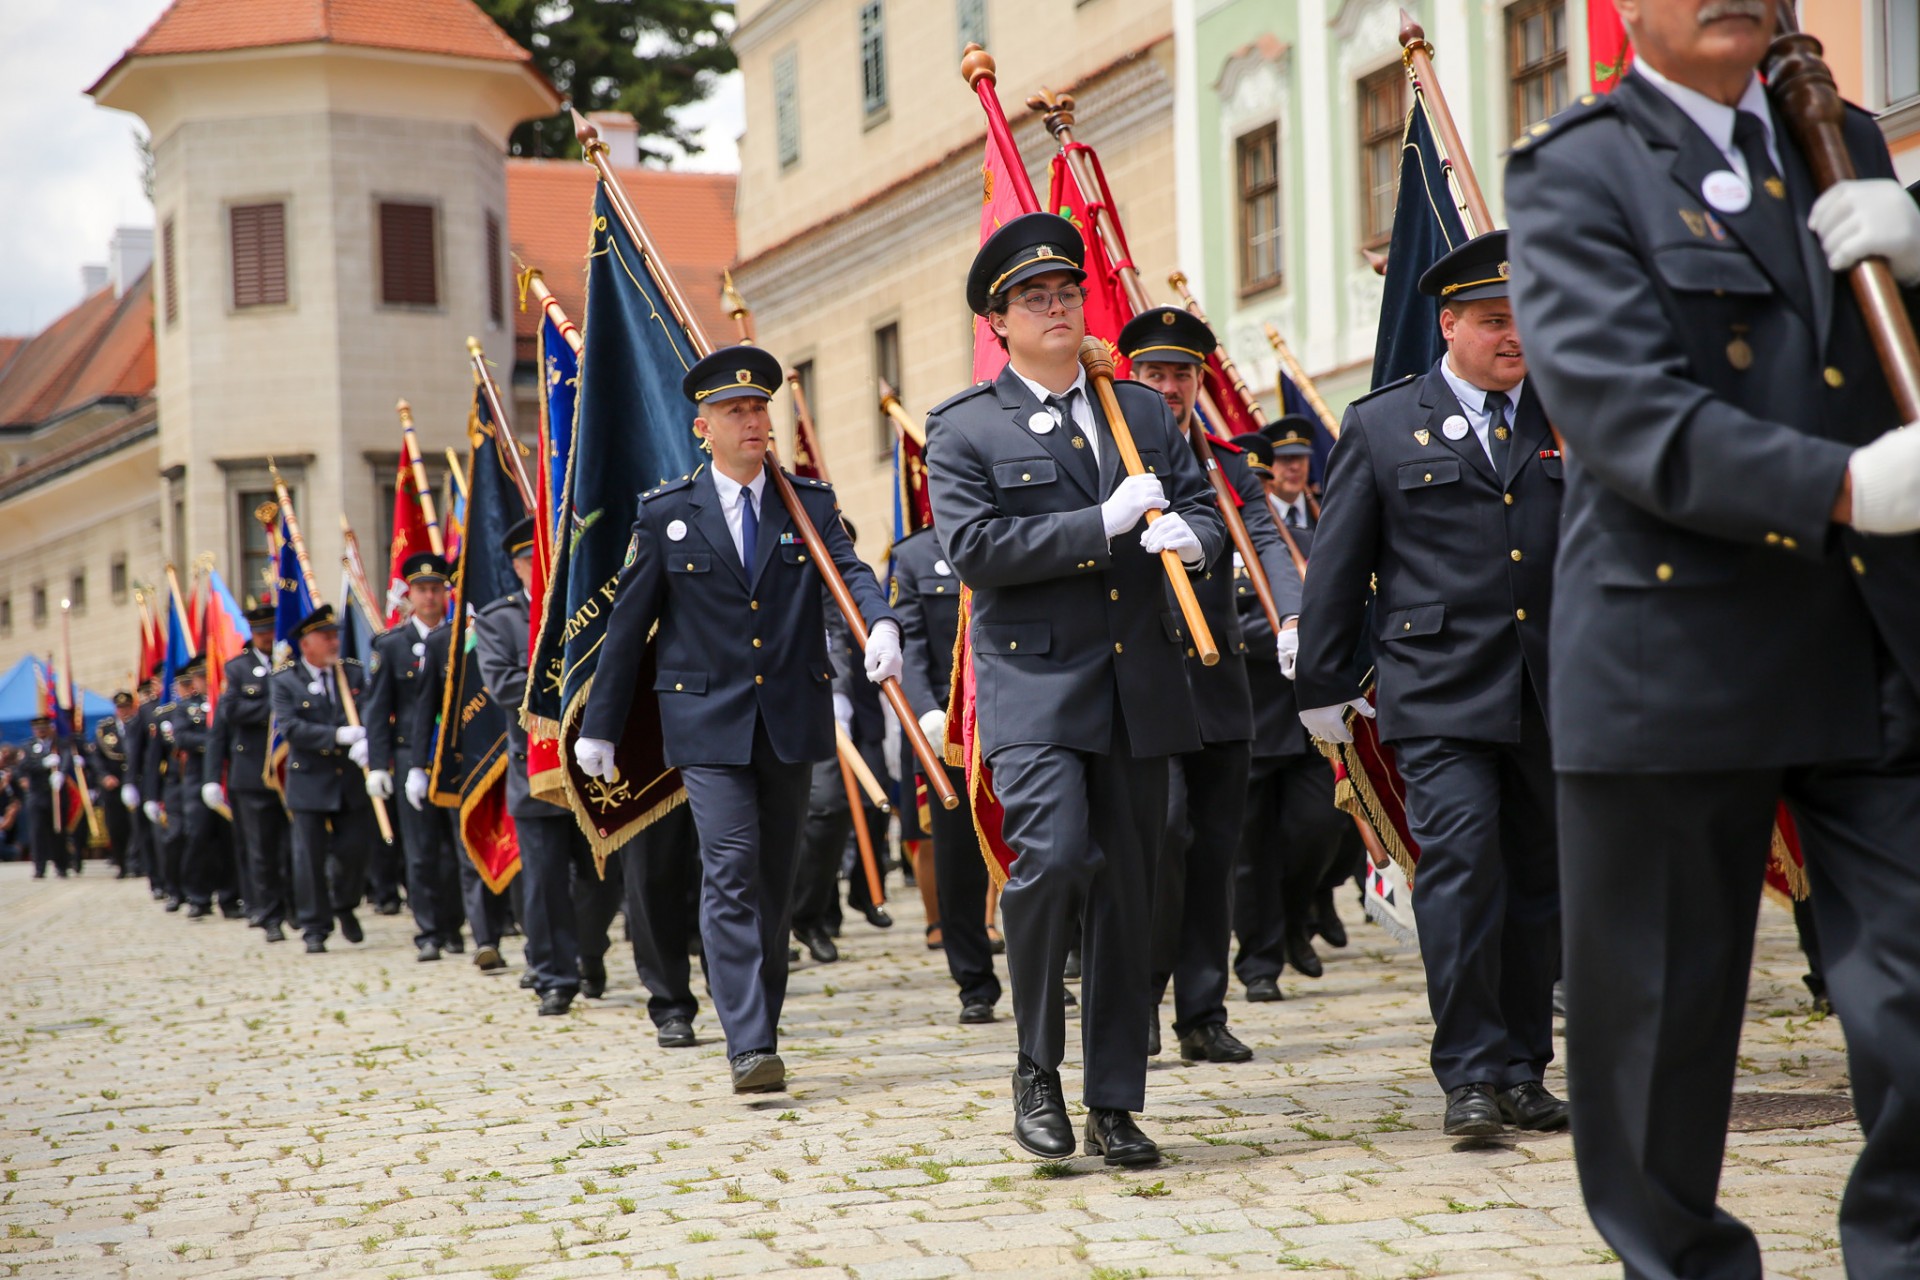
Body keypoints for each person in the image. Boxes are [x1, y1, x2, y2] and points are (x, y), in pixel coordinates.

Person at [1506, 0, 1920, 1269]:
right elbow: (1622, 412)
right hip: (1678, 656)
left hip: (1871, 647)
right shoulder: (1577, 169)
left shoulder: (1836, 131)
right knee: (1659, 1058)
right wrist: (1838, 487)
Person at [925, 212, 1225, 1165]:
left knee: (1133, 891)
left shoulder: (1138, 410)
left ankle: (1114, 1102)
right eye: (1035, 300)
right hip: (1037, 685)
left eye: (1068, 294)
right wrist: (1099, 523)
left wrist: (1194, 539)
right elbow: (975, 550)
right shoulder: (966, 428)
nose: (1058, 309)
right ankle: (1034, 1069)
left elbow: (1207, 509)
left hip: (1140, 685)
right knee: (1052, 860)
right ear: (999, 321)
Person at [1295, 229, 1566, 1139]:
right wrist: (1322, 688)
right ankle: (1472, 1073)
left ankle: (1526, 1066)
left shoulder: (1566, 412)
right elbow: (1339, 568)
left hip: (1555, 688)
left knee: (1541, 879)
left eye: (1524, 318)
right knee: (1461, 873)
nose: (1513, 337)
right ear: (1448, 324)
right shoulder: (1380, 423)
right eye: (1493, 321)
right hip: (1439, 691)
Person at [573, 343, 901, 1094]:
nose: (753, 421)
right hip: (706, 723)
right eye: (735, 412)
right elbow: (628, 629)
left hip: (790, 717)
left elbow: (848, 573)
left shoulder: (807, 504)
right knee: (729, 870)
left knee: (774, 883)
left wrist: (879, 622)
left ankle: (762, 1021)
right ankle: (748, 1043)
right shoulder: (667, 514)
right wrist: (602, 726)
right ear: (703, 428)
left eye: (759, 408)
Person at [1117, 305, 1293, 1064]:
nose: (1169, 388)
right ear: (1131, 378)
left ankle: (1202, 1011)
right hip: (1145, 681)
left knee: (1214, 849)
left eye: (1182, 374)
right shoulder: (1108, 457)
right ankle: (1137, 998)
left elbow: (1266, 541)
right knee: (1162, 840)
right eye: (1154, 374)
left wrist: (1292, 616)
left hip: (1220, 681)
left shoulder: (1225, 463)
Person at [1224, 432, 1353, 1002]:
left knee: (1317, 829)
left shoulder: (1308, 537)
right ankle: (1258, 961)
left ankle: (1298, 914)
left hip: (1309, 717)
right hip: (1250, 713)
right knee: (1251, 850)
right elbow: (1220, 623)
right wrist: (1277, 633)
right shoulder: (1221, 543)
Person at [472, 517, 601, 1018]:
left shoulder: (582, 609)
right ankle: (554, 975)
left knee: (599, 879)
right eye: (529, 560)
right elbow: (505, 688)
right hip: (535, 769)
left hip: (592, 765)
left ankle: (590, 955)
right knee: (545, 884)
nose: (539, 567)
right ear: (517, 566)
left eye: (545, 557)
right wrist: (562, 674)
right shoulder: (498, 619)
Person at [893, 518, 1002, 1024]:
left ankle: (1047, 960)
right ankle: (974, 981)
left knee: (1036, 847)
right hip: (950, 729)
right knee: (959, 859)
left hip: (1019, 712)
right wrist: (926, 711)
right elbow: (909, 644)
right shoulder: (914, 556)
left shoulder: (1016, 527)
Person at [365, 553, 467, 962]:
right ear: (409, 596)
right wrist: (377, 764)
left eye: (437, 589)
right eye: (422, 590)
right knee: (421, 850)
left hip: (454, 754)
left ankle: (456, 925)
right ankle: (428, 930)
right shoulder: (390, 645)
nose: (430, 597)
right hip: (411, 755)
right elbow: (377, 708)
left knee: (455, 846)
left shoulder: (462, 637)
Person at [410, 613, 514, 973]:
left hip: (512, 757)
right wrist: (416, 766)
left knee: (521, 851)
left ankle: (536, 941)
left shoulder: (510, 623)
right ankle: (486, 939)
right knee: (472, 849)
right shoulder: (442, 642)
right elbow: (425, 708)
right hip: (463, 764)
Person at [270, 604, 375, 953]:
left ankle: (344, 905)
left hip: (349, 779)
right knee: (309, 857)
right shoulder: (285, 681)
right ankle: (315, 925)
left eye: (335, 636)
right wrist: (338, 736)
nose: (333, 643)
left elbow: (373, 713)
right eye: (325, 637)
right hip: (310, 781)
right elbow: (291, 728)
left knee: (353, 852)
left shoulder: (353, 675)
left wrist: (367, 741)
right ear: (306, 644)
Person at [207, 606, 293, 941]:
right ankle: (268, 913)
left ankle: (296, 906)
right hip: (252, 771)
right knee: (261, 850)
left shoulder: (291, 663)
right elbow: (232, 712)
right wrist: (275, 706)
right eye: (262, 634)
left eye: (272, 631)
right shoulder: (238, 668)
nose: (269, 638)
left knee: (291, 848)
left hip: (287, 769)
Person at [162, 656, 239, 919]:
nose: (205, 681)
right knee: (198, 839)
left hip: (227, 779)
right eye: (201, 677)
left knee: (229, 841)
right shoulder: (186, 708)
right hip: (197, 781)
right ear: (194, 681)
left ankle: (230, 897)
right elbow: (182, 737)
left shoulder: (226, 703)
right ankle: (198, 896)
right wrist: (215, 742)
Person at [19, 714, 67, 879]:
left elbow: (67, 760)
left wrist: (60, 773)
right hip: (36, 794)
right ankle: (39, 868)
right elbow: (24, 765)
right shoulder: (28, 746)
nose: (41, 731)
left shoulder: (58, 744)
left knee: (58, 830)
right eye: (38, 729)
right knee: (37, 832)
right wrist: (43, 764)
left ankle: (61, 866)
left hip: (56, 794)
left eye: (44, 728)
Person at [93, 692, 137, 876]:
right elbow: (96, 758)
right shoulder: (105, 729)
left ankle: (136, 863)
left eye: (127, 707)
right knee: (116, 826)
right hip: (114, 783)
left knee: (136, 825)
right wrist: (104, 776)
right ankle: (121, 864)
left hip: (135, 781)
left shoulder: (138, 724)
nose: (124, 711)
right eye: (120, 708)